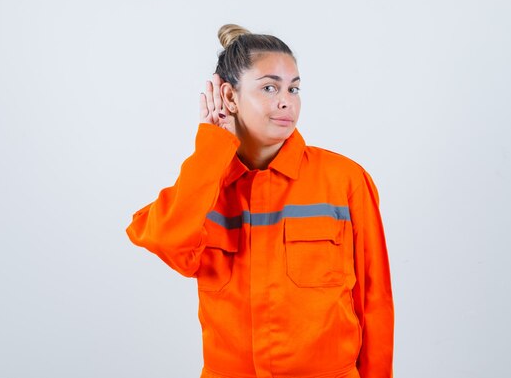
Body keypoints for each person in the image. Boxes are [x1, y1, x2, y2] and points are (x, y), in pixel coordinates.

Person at [126, 24, 394, 378]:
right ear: (230, 97)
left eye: (293, 88)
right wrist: (210, 148)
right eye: (269, 87)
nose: (286, 100)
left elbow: (374, 301)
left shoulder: (344, 179)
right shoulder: (205, 187)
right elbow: (166, 240)